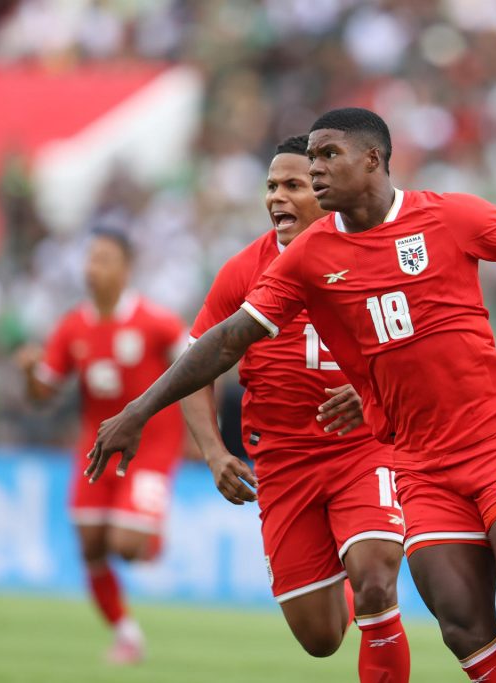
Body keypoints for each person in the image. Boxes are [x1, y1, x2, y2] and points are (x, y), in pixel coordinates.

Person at [85, 107, 496, 681]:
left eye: (327, 155)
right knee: (463, 629)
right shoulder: (307, 258)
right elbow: (226, 341)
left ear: (373, 159)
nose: (316, 168)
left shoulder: (448, 217)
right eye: (309, 158)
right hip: (419, 464)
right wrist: (140, 410)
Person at [180, 135, 409, 682]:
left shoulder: (377, 253)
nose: (277, 197)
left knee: (376, 578)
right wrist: (212, 451)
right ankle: (347, 582)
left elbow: (427, 345)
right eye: (271, 186)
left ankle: (365, 584)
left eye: (293, 185)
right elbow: (194, 366)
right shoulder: (244, 271)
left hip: (364, 451)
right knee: (321, 637)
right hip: (283, 464)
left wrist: (374, 390)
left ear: (325, 191)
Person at [17, 228, 187, 664]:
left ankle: (151, 534)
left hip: (150, 449)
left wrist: (202, 431)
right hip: (96, 450)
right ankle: (126, 634)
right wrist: (30, 372)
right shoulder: (73, 326)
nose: (93, 268)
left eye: (104, 259)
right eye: (90, 259)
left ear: (126, 269)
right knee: (91, 545)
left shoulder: (157, 322)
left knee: (126, 545)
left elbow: (199, 365)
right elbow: (43, 395)